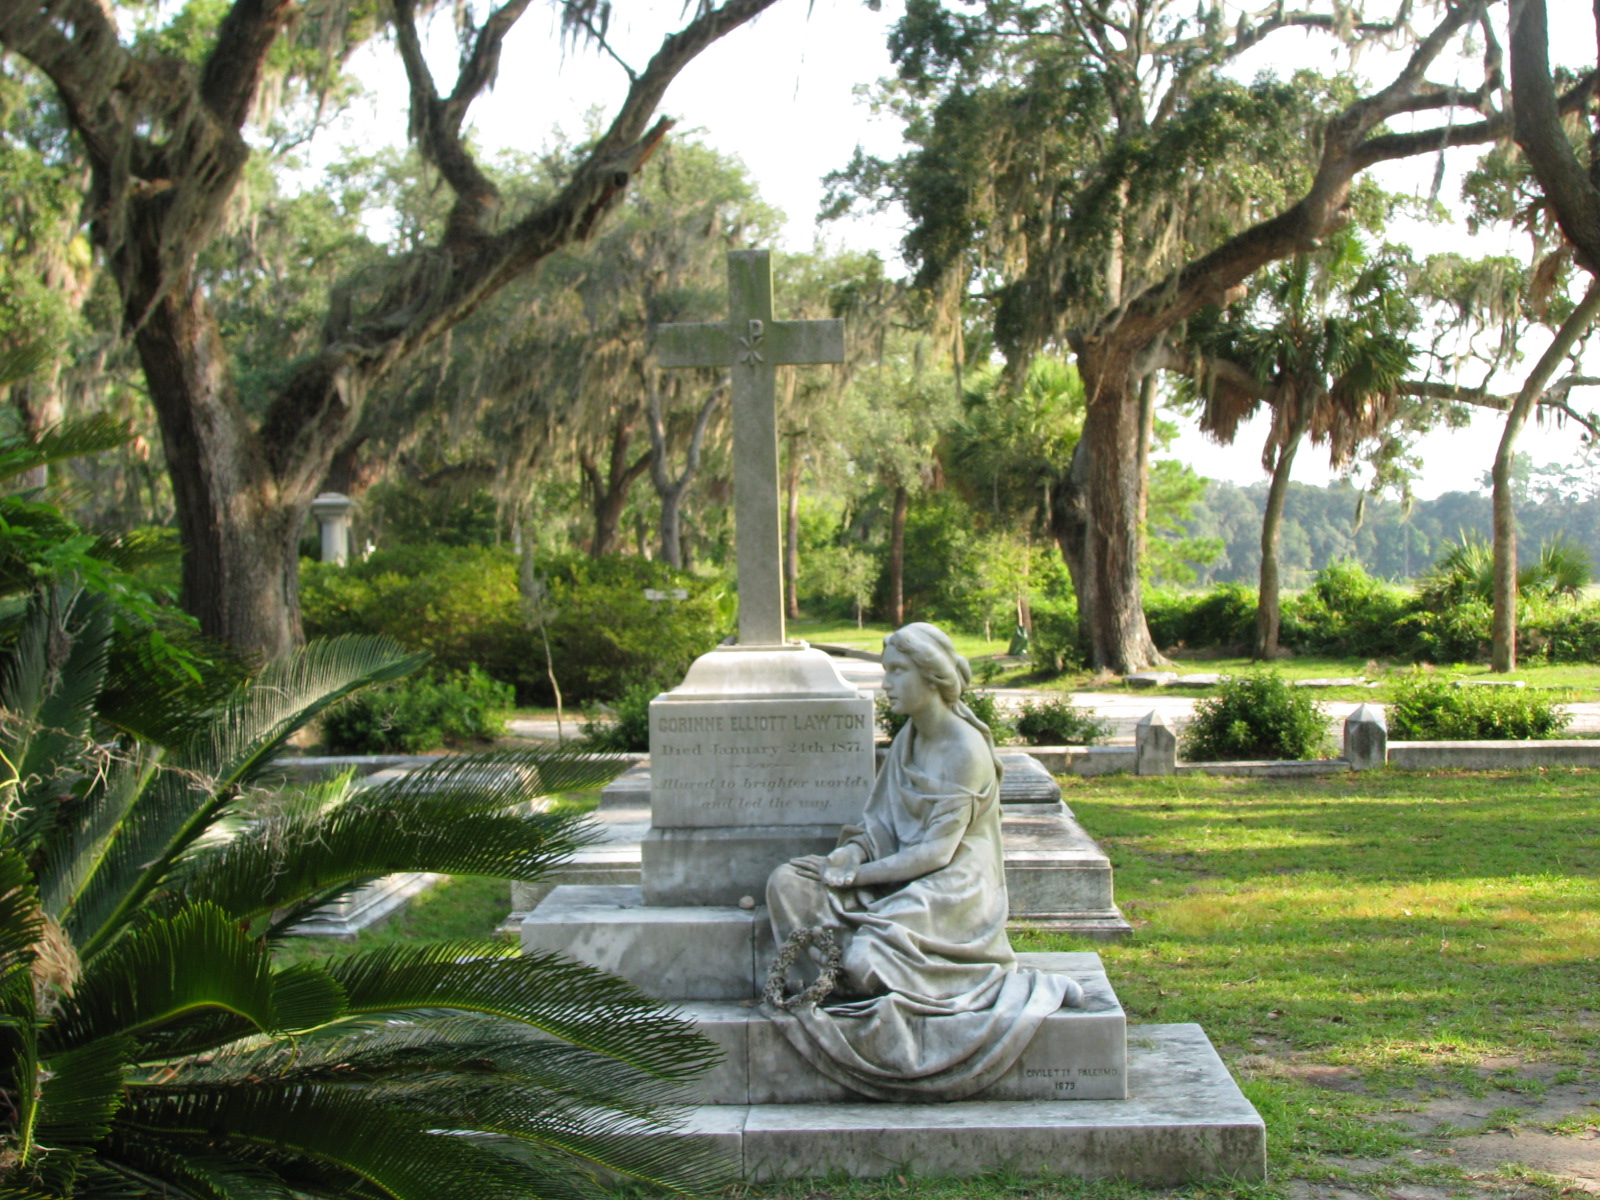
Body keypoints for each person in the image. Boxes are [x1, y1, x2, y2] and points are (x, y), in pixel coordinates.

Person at [764, 621, 1082, 1101]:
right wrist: (850, 853)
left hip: (953, 888)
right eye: (884, 671)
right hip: (896, 872)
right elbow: (880, 827)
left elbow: (936, 852)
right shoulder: (909, 739)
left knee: (867, 956)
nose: (885, 683)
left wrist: (856, 875)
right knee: (787, 882)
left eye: (896, 671)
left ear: (931, 676)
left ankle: (879, 970)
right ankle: (856, 971)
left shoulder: (965, 748)